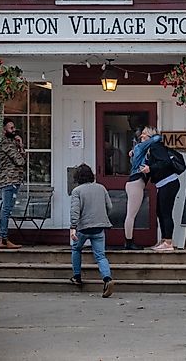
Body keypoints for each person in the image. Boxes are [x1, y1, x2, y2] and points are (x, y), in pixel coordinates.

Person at [69, 163, 115, 297]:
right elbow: (110, 206)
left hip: (83, 227)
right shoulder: (101, 188)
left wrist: (73, 227)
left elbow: (75, 211)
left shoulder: (77, 191)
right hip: (99, 227)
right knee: (100, 255)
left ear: (78, 177)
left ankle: (77, 277)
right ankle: (107, 279)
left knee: (76, 249)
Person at [139, 126, 180, 252]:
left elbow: (166, 162)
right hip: (163, 184)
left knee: (165, 212)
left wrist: (150, 169)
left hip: (169, 183)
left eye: (144, 134)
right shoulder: (150, 148)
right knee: (160, 212)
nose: (141, 136)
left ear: (150, 136)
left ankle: (168, 242)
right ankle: (164, 240)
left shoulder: (156, 146)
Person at [124, 127, 162, 250]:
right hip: (136, 182)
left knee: (131, 214)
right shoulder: (140, 147)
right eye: (142, 134)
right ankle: (129, 242)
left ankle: (129, 241)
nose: (141, 136)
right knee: (131, 215)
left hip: (135, 182)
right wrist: (151, 137)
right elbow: (158, 138)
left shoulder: (140, 149)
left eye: (144, 134)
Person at [0, 118, 25, 249]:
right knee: (6, 209)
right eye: (11, 128)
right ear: (4, 130)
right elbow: (20, 161)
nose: (14, 130)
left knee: (8, 209)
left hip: (14, 179)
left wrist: (20, 145)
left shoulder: (12, 142)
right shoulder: (6, 144)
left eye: (14, 127)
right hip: (9, 179)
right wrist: (20, 147)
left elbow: (22, 158)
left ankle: (4, 238)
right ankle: (3, 239)